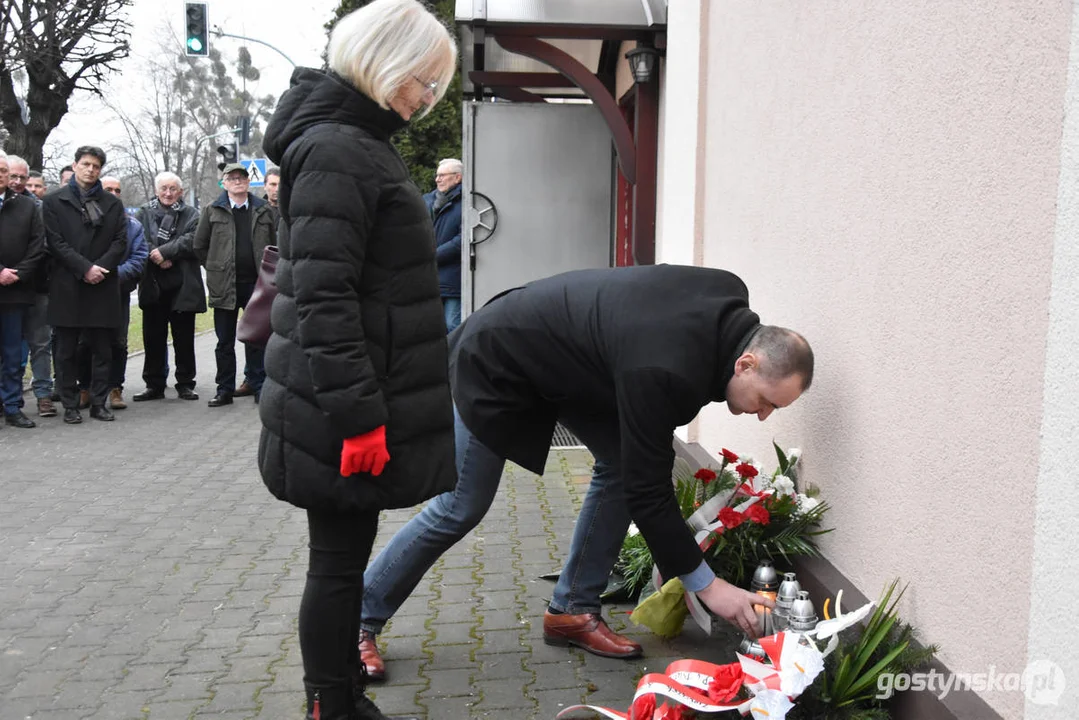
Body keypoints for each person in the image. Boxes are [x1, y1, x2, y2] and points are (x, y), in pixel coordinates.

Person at [358, 265, 814, 678]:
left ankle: (572, 609)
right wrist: (710, 588)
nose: (763, 417)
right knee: (461, 504)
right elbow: (648, 492)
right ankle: (355, 619)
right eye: (768, 402)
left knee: (618, 465)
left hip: (571, 367)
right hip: (498, 357)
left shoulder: (728, 297)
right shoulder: (666, 368)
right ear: (746, 362)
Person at [258, 0, 458, 717]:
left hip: (347, 400)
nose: (427, 98)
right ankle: (330, 703)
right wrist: (359, 419)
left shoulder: (350, 140)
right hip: (341, 409)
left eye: (436, 87)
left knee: (340, 563)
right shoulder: (339, 147)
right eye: (424, 81)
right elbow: (323, 297)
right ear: (386, 62)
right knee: (338, 566)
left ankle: (336, 695)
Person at [42, 146, 128, 424]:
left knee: (102, 349)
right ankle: (69, 404)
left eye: (96, 166)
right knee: (66, 351)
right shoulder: (54, 201)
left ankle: (99, 403)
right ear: (75, 165)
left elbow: (120, 242)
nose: (91, 170)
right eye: (86, 164)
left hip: (102, 284)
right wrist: (84, 268)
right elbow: (55, 243)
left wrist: (99, 268)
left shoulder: (112, 203)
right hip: (68, 284)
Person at [193, 163, 275, 407]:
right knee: (224, 341)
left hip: (256, 285)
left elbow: (274, 243)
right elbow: (199, 246)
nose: (238, 181)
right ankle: (224, 389)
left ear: (249, 182)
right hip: (225, 286)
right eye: (233, 178)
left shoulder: (263, 210)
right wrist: (217, 268)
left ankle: (259, 386)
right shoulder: (211, 210)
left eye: (242, 177)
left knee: (256, 338)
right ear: (224, 183)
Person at [75, 176, 147, 410]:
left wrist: (110, 277)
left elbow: (138, 259)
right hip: (87, 291)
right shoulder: (83, 218)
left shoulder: (133, 226)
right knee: (85, 342)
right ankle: (85, 387)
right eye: (109, 189)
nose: (114, 193)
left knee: (118, 342)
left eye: (118, 190)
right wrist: (89, 273)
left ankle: (115, 388)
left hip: (117, 293)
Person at [133, 172, 205, 402]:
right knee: (153, 337)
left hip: (182, 283)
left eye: (173, 188)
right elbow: (139, 238)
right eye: (164, 188)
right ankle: (154, 384)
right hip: (153, 283)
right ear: (156, 190)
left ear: (180, 192)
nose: (168, 193)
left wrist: (165, 252)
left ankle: (185, 383)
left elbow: (193, 239)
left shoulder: (192, 214)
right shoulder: (144, 212)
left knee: (184, 337)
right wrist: (155, 255)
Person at [0, 153, 46, 429]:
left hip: (15, 291)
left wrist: (15, 273)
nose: (2, 175)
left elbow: (38, 245)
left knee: (13, 355)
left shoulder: (27, 208)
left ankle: (13, 405)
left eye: (5, 170)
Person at [424, 158, 462, 332]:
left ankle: (455, 360)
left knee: (452, 326)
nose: (437, 179)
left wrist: (433, 255)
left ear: (457, 177)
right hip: (430, 277)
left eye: (443, 175)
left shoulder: (467, 201)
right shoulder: (427, 201)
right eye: (437, 175)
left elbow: (462, 240)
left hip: (453, 277)